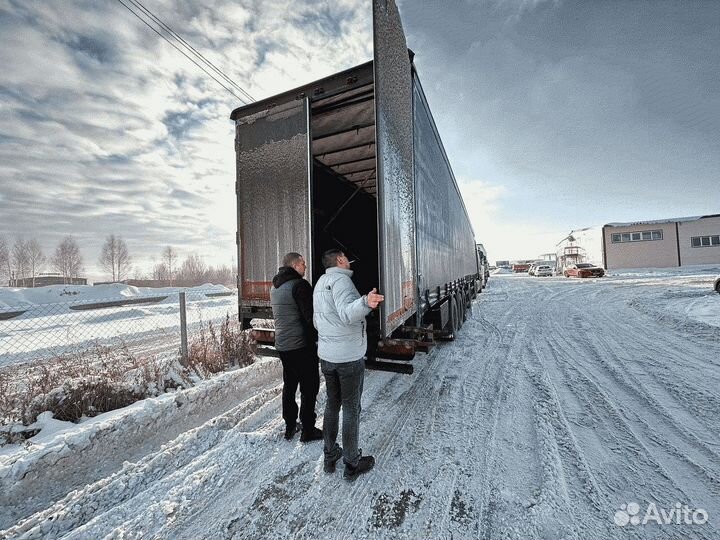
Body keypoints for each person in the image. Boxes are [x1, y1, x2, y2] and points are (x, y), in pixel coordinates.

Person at [313, 248, 384, 481]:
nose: (349, 261)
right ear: (341, 260)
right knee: (351, 408)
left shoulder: (320, 282)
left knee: (332, 405)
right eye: (347, 258)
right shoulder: (342, 282)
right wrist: (366, 302)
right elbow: (347, 313)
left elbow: (317, 320)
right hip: (348, 358)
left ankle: (330, 454)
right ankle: (352, 462)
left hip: (327, 356)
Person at [270, 252, 323, 442]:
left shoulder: (275, 286)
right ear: (293, 265)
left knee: (290, 384)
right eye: (302, 264)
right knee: (309, 387)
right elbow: (310, 318)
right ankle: (308, 429)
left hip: (283, 345)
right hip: (300, 346)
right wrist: (317, 339)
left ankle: (290, 425)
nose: (305, 267)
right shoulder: (300, 285)